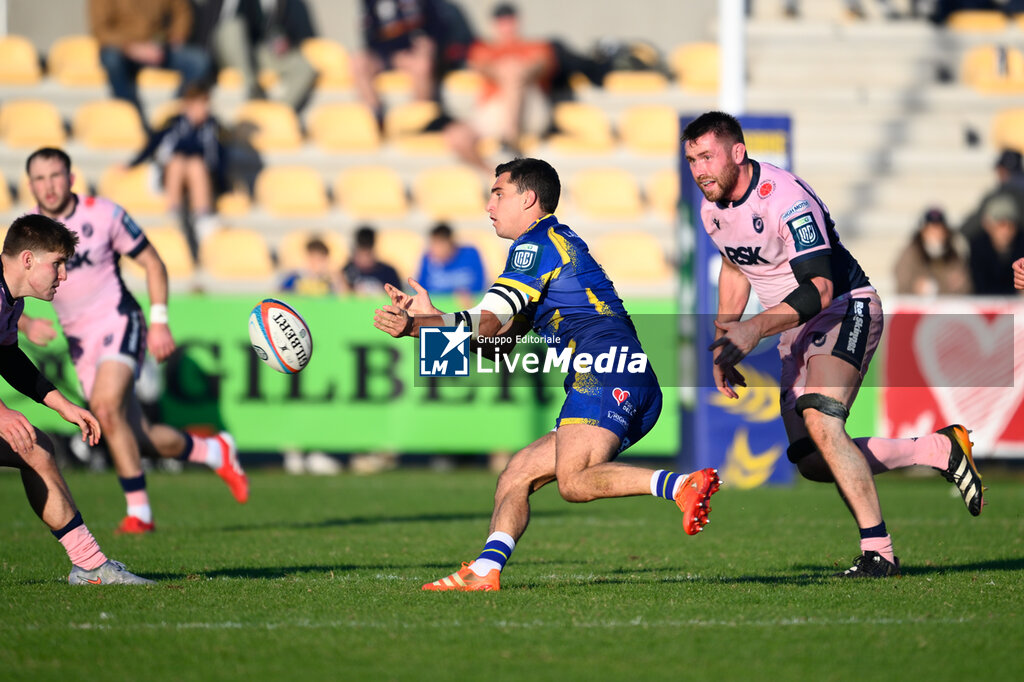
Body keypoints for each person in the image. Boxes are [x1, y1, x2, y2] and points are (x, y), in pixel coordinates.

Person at [373, 157, 721, 591]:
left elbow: (482, 323)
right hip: (622, 373)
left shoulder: (534, 246)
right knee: (517, 473)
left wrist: (422, 323)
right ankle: (485, 569)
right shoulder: (546, 247)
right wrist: (424, 326)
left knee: (574, 483)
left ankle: (681, 484)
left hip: (604, 367)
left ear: (528, 198)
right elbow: (495, 346)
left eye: (498, 193)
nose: (488, 205)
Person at [682, 111, 984, 578]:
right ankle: (939, 451)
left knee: (823, 422)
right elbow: (737, 266)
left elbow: (819, 287)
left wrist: (754, 327)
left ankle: (878, 552)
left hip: (845, 307)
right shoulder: (710, 208)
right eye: (691, 160)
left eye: (707, 156)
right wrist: (726, 336)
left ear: (737, 152)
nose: (699, 169)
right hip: (792, 328)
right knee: (813, 461)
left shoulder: (785, 199)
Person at [23, 147, 248, 535]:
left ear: (71, 178)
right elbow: (5, 288)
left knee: (107, 410)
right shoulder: (29, 233)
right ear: (30, 185)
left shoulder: (104, 214)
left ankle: (139, 514)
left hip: (119, 320)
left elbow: (152, 262)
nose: (49, 186)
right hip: (80, 342)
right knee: (132, 435)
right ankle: (214, 450)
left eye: (56, 175)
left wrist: (159, 320)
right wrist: (25, 325)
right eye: (40, 179)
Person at [1, 213, 151, 584]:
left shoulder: (11, 301)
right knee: (33, 447)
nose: (63, 274)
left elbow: (8, 359)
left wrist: (62, 404)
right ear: (27, 260)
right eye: (58, 263)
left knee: (36, 448)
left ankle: (89, 566)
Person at [125, 82, 226, 260]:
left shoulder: (212, 128)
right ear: (188, 105)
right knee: (179, 161)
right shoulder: (173, 124)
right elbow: (154, 146)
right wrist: (132, 164)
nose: (203, 109)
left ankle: (202, 215)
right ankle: (174, 212)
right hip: (171, 173)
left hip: (198, 175)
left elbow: (216, 158)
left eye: (205, 105)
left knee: (195, 164)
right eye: (199, 105)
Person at [89, 0, 212, 128]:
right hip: (121, 50)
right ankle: (135, 120)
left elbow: (182, 11)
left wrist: (175, 38)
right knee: (111, 60)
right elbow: (100, 31)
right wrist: (131, 47)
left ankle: (171, 117)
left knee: (199, 61)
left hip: (156, 46)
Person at [466, 3, 556, 153]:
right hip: (494, 113)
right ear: (493, 24)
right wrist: (508, 69)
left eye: (510, 21)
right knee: (510, 69)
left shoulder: (536, 46)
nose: (506, 26)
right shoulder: (483, 48)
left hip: (530, 112)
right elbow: (481, 66)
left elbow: (541, 65)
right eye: (501, 22)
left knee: (513, 70)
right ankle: (510, 137)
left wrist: (521, 70)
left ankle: (510, 137)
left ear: (518, 21)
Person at [204, 0, 317, 113]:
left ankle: (276, 111)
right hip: (240, 61)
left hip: (272, 59)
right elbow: (218, 33)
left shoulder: (292, 4)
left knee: (306, 65)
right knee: (230, 29)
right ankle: (251, 94)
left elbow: (307, 39)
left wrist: (286, 44)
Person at [352, 0, 443, 126]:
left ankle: (421, 122)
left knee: (422, 65)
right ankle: (375, 119)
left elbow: (435, 28)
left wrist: (425, 45)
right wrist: (392, 54)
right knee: (357, 62)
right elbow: (369, 37)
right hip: (383, 54)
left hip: (412, 53)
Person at [893, 207, 971, 295]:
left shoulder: (953, 255)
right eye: (931, 230)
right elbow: (902, 282)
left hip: (946, 306)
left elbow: (965, 284)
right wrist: (914, 287)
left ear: (946, 232)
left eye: (939, 230)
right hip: (917, 306)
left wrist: (958, 285)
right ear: (922, 232)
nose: (935, 235)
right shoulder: (911, 253)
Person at [416, 222, 486, 308]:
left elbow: (480, 283)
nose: (437, 249)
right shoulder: (428, 258)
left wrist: (469, 293)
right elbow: (420, 289)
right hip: (437, 309)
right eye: (434, 244)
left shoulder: (471, 253)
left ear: (450, 242)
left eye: (441, 244)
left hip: (464, 307)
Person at [968, 194, 1024, 295]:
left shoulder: (1021, 243)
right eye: (1000, 224)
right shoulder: (977, 246)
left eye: (1011, 225)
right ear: (987, 225)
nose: (1005, 231)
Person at [341, 226, 402, 296]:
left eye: (367, 254)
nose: (365, 259)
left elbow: (398, 298)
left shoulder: (388, 272)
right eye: (361, 254)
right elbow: (341, 297)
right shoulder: (347, 271)